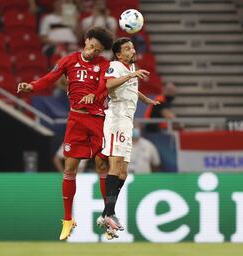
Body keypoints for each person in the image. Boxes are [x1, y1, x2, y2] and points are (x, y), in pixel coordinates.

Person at [17, 27, 114, 240]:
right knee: (70, 168)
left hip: (98, 120)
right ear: (86, 41)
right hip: (76, 120)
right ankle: (68, 219)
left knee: (102, 165)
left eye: (97, 50)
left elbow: (106, 87)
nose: (92, 52)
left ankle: (108, 215)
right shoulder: (69, 60)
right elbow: (50, 78)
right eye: (91, 46)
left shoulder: (105, 65)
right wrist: (31, 87)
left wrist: (94, 95)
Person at [96, 37, 160, 239]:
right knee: (115, 168)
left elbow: (130, 87)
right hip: (116, 120)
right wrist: (132, 74)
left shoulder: (130, 67)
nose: (132, 50)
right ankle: (109, 214)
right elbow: (109, 85)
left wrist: (144, 98)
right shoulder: (115, 66)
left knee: (123, 172)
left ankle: (107, 212)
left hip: (126, 122)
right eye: (127, 48)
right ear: (118, 54)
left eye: (132, 47)